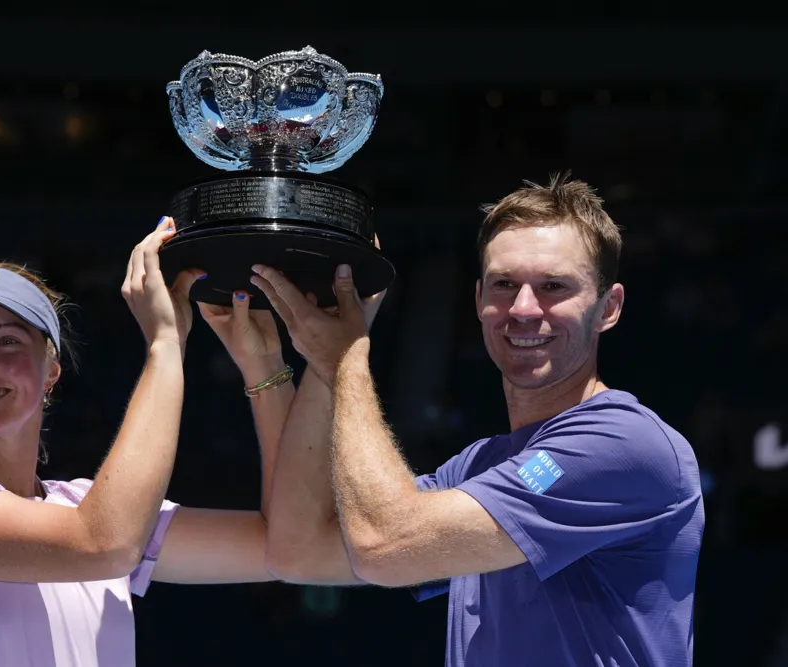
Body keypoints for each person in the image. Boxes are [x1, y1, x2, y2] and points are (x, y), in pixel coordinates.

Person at [255, 174, 705, 667]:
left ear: (609, 308)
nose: (524, 309)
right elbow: (298, 549)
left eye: (554, 286)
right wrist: (300, 364)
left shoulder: (625, 442)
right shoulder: (478, 469)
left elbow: (381, 543)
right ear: (478, 300)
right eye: (504, 284)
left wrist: (345, 359)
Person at [0, 217, 297, 667]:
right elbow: (105, 543)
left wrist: (265, 365)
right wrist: (165, 344)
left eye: (7, 340)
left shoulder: (89, 506)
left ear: (51, 370)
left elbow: (288, 548)